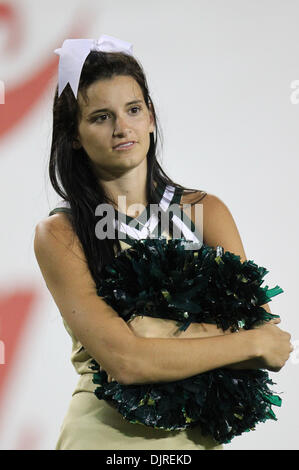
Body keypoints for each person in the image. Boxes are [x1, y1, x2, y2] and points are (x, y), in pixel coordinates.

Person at [34, 35, 293, 450]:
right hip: (105, 439)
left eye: (133, 110)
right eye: (101, 117)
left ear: (151, 117)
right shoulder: (60, 233)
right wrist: (238, 341)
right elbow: (126, 362)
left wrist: (153, 330)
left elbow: (270, 344)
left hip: (198, 441)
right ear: (75, 136)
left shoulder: (206, 211)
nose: (122, 128)